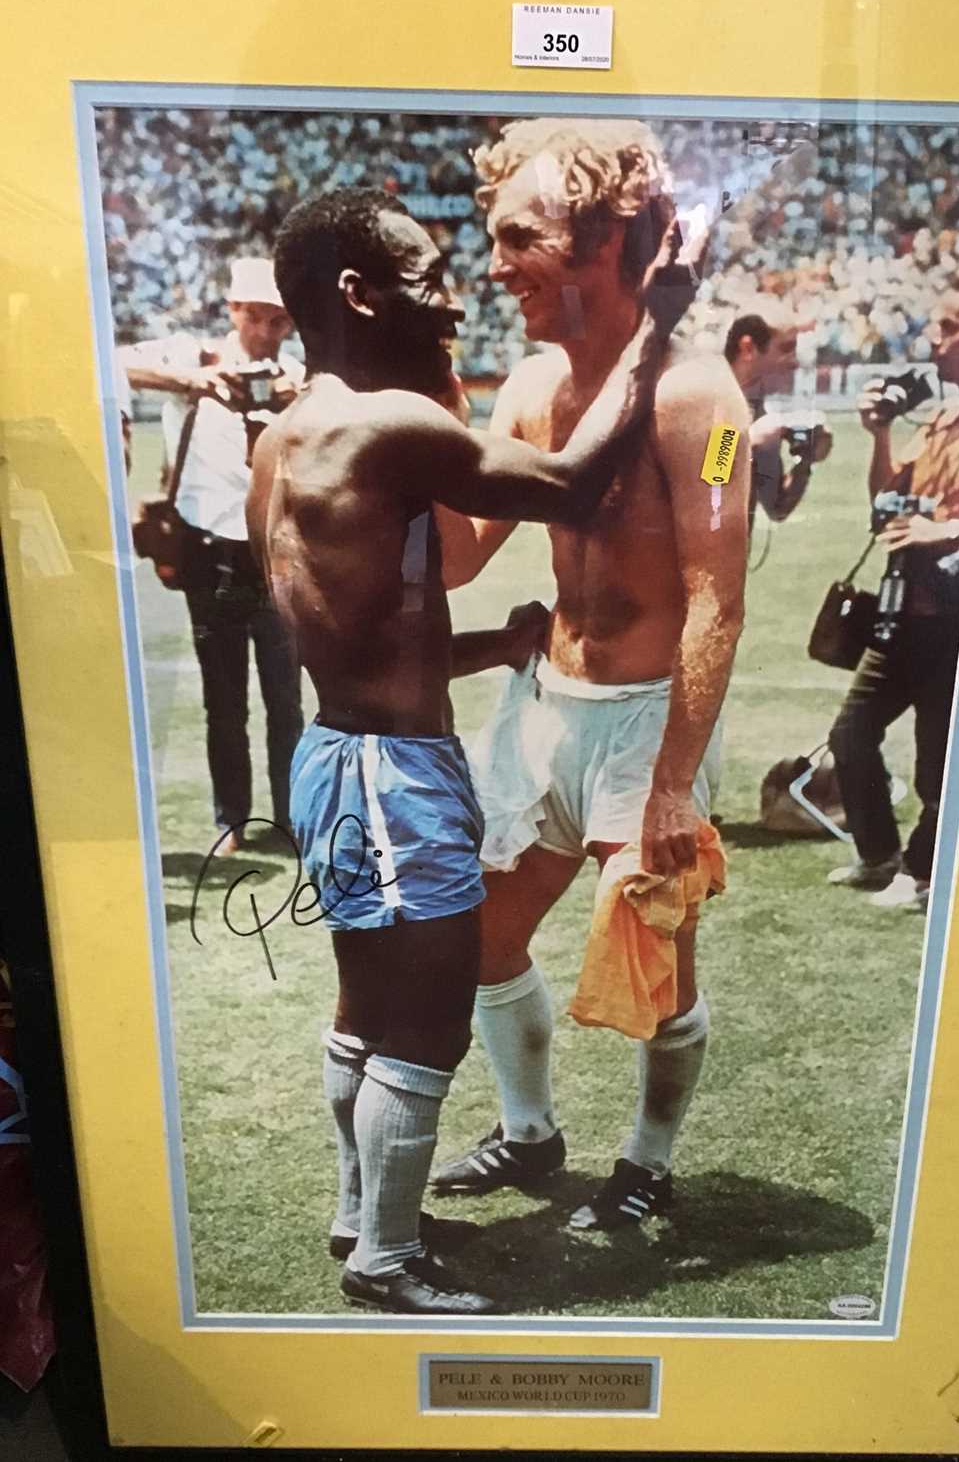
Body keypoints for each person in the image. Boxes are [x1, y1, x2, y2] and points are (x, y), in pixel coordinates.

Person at [246, 185, 700, 1315]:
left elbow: (355, 626)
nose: (453, 297)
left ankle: (364, 1213)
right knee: (427, 1023)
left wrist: (482, 644)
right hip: (396, 777)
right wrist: (660, 323)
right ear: (357, 293)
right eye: (425, 275)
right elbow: (575, 482)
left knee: (362, 1009)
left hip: (335, 757)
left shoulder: (288, 432)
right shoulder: (390, 424)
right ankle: (387, 1262)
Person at [431, 119, 751, 1231]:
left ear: (609, 241)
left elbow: (717, 592)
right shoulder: (527, 385)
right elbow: (464, 549)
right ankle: (530, 1134)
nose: (497, 259)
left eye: (520, 235)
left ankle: (648, 1160)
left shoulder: (703, 401)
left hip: (646, 726)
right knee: (482, 941)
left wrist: (673, 780)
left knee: (655, 963)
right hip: (547, 712)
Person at [826, 282, 959, 911]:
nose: (932, 340)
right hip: (905, 609)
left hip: (955, 614)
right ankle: (879, 854)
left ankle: (923, 871)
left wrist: (943, 529)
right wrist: (879, 435)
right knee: (850, 735)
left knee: (936, 761)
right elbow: (883, 509)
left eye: (949, 328)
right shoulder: (938, 420)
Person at [125, 258, 305, 854]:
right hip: (207, 550)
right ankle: (230, 819)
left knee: (285, 699)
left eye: (280, 323)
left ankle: (290, 817)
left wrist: (295, 396)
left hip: (274, 554)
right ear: (233, 311)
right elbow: (113, 360)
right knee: (222, 700)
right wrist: (191, 384)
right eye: (257, 318)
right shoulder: (191, 357)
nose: (267, 333)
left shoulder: (296, 377)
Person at [725, 310, 831, 524]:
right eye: (785, 349)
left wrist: (805, 458)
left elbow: (777, 507)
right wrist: (750, 439)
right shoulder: (710, 395)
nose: (794, 362)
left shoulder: (756, 408)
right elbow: (710, 481)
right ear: (748, 348)